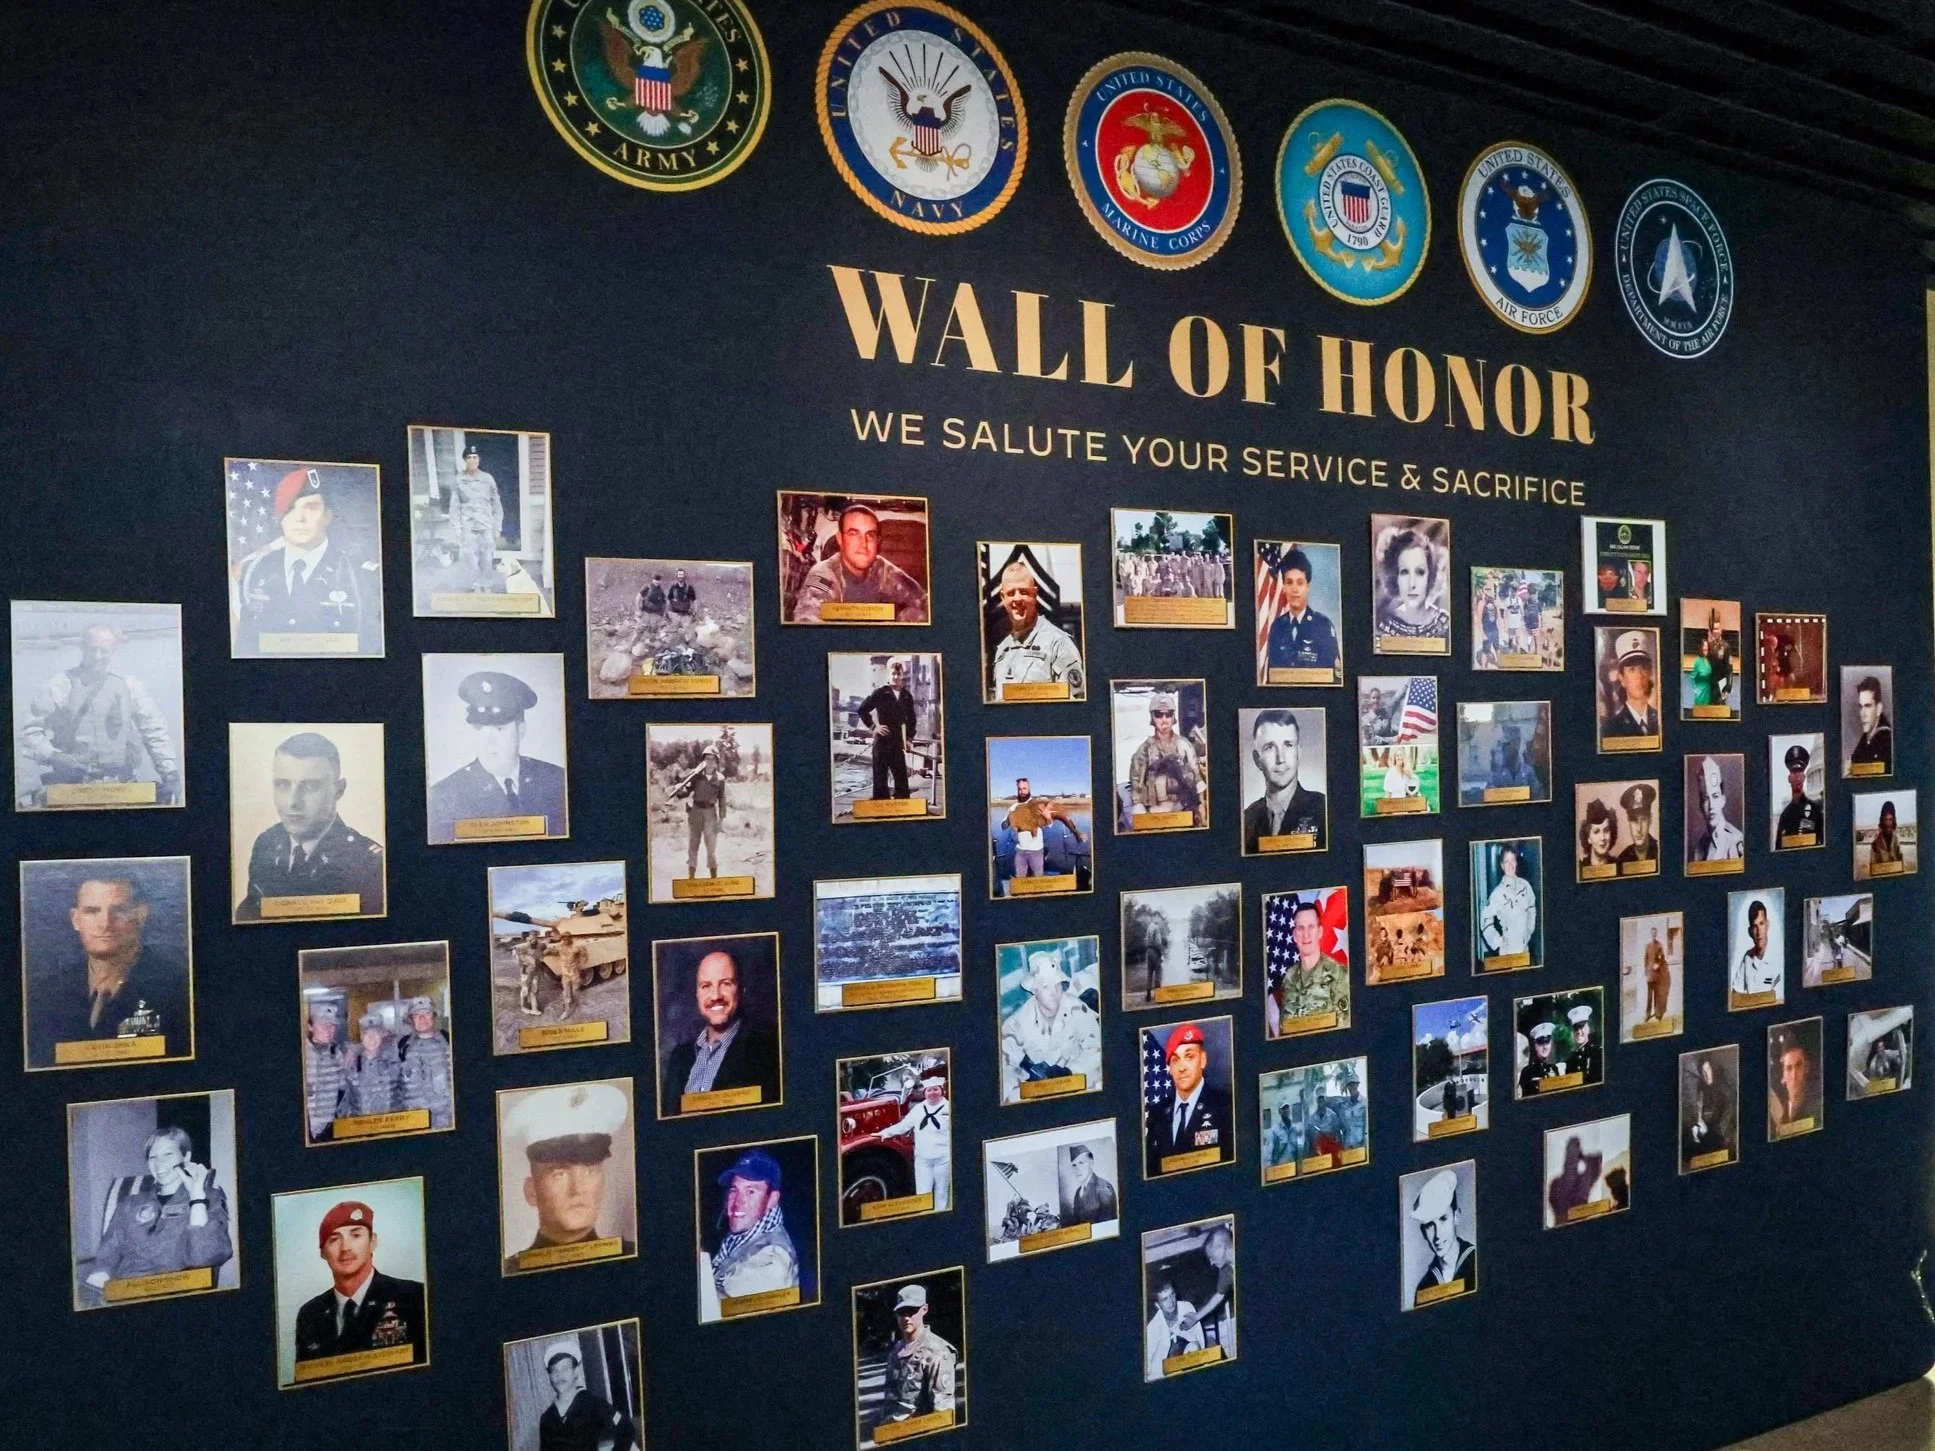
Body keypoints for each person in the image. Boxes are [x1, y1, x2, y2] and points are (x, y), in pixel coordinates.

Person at [28, 871, 189, 1066]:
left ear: (141, 915)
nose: (105, 924)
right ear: (76, 919)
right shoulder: (44, 994)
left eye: (119, 910)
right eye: (92, 911)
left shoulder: (180, 989)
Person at [17, 620, 181, 805]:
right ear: (82, 648)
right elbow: (29, 732)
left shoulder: (130, 687)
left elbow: (154, 730)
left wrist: (169, 771)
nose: (97, 656)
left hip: (122, 785)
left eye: (104, 651)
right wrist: (53, 756)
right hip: (71, 787)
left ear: (113, 651)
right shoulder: (58, 686)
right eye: (92, 649)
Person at [236, 731, 385, 919]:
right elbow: (250, 914)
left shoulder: (369, 864)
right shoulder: (267, 843)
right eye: (283, 785)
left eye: (310, 786)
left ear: (339, 790)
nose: (292, 802)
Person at [233, 466, 381, 653]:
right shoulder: (255, 571)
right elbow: (246, 648)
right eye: (290, 509)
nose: (299, 518)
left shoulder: (361, 576)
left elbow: (371, 649)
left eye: (311, 507)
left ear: (327, 516)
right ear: (280, 518)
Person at [80, 1123, 231, 1306]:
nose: (159, 1164)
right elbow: (107, 1255)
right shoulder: (130, 1203)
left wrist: (197, 1197)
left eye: (168, 1154)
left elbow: (204, 1258)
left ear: (186, 1157)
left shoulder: (209, 1198)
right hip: (125, 1291)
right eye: (153, 1157)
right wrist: (97, 1286)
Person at [503, 1082, 635, 1273]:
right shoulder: (511, 1270)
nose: (577, 1189)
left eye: (590, 1171)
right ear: (531, 1191)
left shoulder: (633, 1258)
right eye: (560, 1174)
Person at [427, 670, 567, 839]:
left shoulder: (557, 780)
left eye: (500, 729)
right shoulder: (444, 796)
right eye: (479, 729)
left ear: (521, 730)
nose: (489, 742)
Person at [293, 1200, 427, 1368]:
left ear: (372, 1242)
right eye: (334, 1239)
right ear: (323, 1252)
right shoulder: (310, 1314)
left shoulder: (414, 1296)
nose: (345, 1248)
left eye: (356, 1235)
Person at [663, 948, 781, 1109]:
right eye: (706, 986)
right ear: (697, 994)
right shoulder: (679, 1057)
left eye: (726, 983)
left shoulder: (766, 1050)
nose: (715, 996)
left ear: (741, 990)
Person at [791, 502, 928, 622]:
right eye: (854, 534)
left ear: (878, 541)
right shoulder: (823, 575)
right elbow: (808, 618)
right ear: (840, 539)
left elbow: (924, 602)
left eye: (870, 535)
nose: (864, 544)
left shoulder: (882, 569)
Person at [705, 1148, 799, 1310]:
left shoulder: (772, 1258)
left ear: (772, 1199)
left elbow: (715, 1311)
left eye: (750, 1191)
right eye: (734, 1190)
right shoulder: (741, 1237)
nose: (737, 1202)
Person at [999, 951, 1102, 1097]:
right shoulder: (1016, 1026)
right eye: (1045, 987)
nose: (1053, 992)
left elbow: (1096, 1048)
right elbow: (1004, 1072)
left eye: (1057, 985)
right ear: (1034, 990)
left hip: (1079, 1088)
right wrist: (1029, 1085)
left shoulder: (1076, 1007)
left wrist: (1071, 1071)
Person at [1144, 1023, 1233, 1176]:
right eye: (1175, 1060)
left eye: (1189, 1057)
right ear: (1170, 1068)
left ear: (1203, 1060)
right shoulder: (1157, 1113)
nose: (1182, 1068)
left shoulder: (1225, 1106)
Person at [990, 558, 1084, 695]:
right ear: (1003, 598)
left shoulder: (1058, 643)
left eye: (1024, 592)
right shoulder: (1003, 649)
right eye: (1011, 593)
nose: (1017, 599)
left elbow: (1075, 699)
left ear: (1034, 595)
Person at [1242, 710, 1325, 851]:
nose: (1280, 758)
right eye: (1269, 747)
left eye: (1288, 745)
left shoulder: (1323, 809)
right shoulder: (1246, 819)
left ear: (1298, 753)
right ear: (1257, 760)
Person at [535, 1339, 637, 1451]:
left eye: (565, 1369)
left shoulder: (594, 1405)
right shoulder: (547, 1418)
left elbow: (626, 1429)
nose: (560, 1376)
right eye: (554, 1371)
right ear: (550, 1376)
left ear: (576, 1372)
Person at [874, 1065, 952, 1210]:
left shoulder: (950, 1108)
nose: (932, 1093)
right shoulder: (918, 1109)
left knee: (941, 1192)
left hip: (943, 1158)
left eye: (936, 1089)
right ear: (925, 1092)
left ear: (942, 1091)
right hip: (922, 1160)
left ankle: (940, 1215)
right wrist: (885, 1133)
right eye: (929, 1090)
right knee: (922, 1194)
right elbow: (903, 1126)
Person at [881, 1284, 957, 1424]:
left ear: (924, 1309)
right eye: (901, 1312)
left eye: (912, 1311)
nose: (906, 1318)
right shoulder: (896, 1351)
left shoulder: (937, 1352)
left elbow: (943, 1413)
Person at [1270, 898, 1348, 1031]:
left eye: (1311, 927)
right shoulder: (1289, 977)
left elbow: (1345, 1029)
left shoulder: (1340, 974)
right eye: (1300, 928)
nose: (1306, 935)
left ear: (1320, 932)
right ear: (1294, 935)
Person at [1263, 547, 1340, 674]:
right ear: (1284, 587)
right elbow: (1272, 674)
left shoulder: (1323, 626)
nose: (1294, 589)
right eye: (1289, 582)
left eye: (1300, 583)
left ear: (1308, 586)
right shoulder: (1277, 627)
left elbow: (1334, 676)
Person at [1128, 692, 1202, 824]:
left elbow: (1198, 781)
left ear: (1173, 717)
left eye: (1168, 714)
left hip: (1182, 810)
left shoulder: (1184, 746)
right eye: (1158, 714)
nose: (1164, 719)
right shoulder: (1144, 750)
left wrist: (1201, 807)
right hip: (1154, 813)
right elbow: (1136, 791)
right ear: (1152, 717)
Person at [1407, 1169, 1475, 1303]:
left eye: (1443, 1219)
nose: (1437, 1234)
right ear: (1423, 1232)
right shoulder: (1424, 1287)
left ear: (1456, 1217)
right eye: (1429, 1225)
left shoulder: (1476, 1262)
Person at [857, 659, 919, 802]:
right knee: (880, 781)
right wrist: (874, 727)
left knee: (901, 780)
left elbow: (912, 720)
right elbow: (862, 710)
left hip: (897, 742)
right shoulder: (880, 693)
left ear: (902, 675)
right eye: (893, 674)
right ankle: (880, 809)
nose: (896, 677)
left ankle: (903, 809)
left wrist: (909, 739)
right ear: (888, 675)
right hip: (882, 742)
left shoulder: (906, 696)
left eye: (898, 674)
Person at [1374, 527, 1448, 642]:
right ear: (1395, 577)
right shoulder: (1382, 622)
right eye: (1404, 572)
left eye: (1420, 572)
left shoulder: (1445, 623)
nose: (1412, 584)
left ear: (1430, 575)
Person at [448, 443, 504, 590]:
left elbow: (497, 504)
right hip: (468, 527)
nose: (472, 460)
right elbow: (454, 507)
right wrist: (457, 529)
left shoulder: (488, 479)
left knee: (487, 558)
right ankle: (475, 587)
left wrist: (498, 527)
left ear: (479, 459)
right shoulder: (458, 480)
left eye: (475, 457)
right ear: (464, 460)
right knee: (470, 559)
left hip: (486, 526)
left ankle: (486, 586)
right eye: (469, 457)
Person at [669, 744, 729, 879]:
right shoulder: (696, 775)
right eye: (707, 758)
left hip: (710, 814)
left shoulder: (720, 779)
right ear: (704, 760)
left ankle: (713, 878)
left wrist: (721, 820)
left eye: (713, 759)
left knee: (711, 848)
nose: (710, 762)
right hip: (695, 811)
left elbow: (722, 799)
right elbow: (686, 791)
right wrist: (680, 789)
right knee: (693, 845)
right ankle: (691, 877)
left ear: (716, 761)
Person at [395, 996, 453, 1131]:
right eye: (416, 1015)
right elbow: (374, 1045)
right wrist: (354, 1050)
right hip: (414, 1122)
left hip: (447, 1121)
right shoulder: (402, 1045)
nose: (422, 1018)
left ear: (434, 1016)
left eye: (427, 1013)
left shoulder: (450, 1040)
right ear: (411, 1020)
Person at [1177, 1224, 1236, 1355]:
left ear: (1222, 1248)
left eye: (1212, 1257)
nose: (1212, 1263)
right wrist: (1196, 1317)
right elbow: (1218, 1296)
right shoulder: (1226, 1272)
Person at [1478, 844, 1537, 959]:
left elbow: (1531, 909)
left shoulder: (1525, 886)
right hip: (1507, 952)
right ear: (1502, 866)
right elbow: (1484, 920)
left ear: (1516, 862)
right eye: (1506, 862)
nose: (1510, 865)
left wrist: (1529, 931)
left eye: (1512, 860)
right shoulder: (1497, 894)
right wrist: (1497, 942)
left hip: (1525, 950)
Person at [304, 1001, 349, 1141]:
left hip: (328, 1128)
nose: (330, 1030)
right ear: (310, 1026)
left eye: (332, 1026)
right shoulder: (301, 1053)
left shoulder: (336, 1053)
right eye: (324, 1025)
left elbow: (345, 1087)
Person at [1601, 631, 1659, 739]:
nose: (1639, 676)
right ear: (1622, 678)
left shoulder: (1660, 719)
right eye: (1632, 670)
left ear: (1650, 673)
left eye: (1644, 668)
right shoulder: (1611, 727)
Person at [1144, 1277, 1205, 1381]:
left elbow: (1200, 1338)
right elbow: (1148, 1365)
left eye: (1172, 1295)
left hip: (1188, 1357)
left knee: (1194, 1347)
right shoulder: (1152, 1328)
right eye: (1165, 1299)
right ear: (1157, 1305)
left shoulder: (1187, 1307)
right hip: (1162, 1372)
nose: (1171, 1301)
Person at [1688, 755, 1744, 862]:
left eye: (1715, 796)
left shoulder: (1735, 840)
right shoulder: (1700, 846)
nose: (1711, 806)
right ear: (1700, 805)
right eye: (1706, 799)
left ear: (1723, 800)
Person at [344, 1012, 399, 1118]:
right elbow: (345, 1099)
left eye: (376, 1033)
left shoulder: (395, 1058)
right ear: (361, 1036)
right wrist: (355, 1049)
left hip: (392, 1123)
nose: (371, 1038)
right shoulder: (350, 1063)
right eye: (366, 1034)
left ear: (382, 1034)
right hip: (361, 1124)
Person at [1682, 1055, 1736, 1163]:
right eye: (1703, 1071)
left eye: (1708, 1069)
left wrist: (1711, 1132)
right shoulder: (1697, 1089)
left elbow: (1728, 1114)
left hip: (1719, 1135)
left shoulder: (1724, 1090)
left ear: (1713, 1068)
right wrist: (1694, 1125)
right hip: (1701, 1135)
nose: (1706, 1074)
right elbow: (1693, 1113)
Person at [1769, 1026, 1820, 1130]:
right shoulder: (1778, 1114)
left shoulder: (1817, 1109)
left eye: (1799, 1066)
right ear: (1783, 1076)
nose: (1794, 1075)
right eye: (1789, 1068)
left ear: (1806, 1068)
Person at [1775, 743, 1824, 845]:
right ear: (1789, 778)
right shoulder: (1785, 815)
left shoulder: (1815, 811)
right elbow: (1779, 846)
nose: (1797, 777)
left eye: (1800, 772)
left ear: (1804, 777)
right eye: (1794, 772)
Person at [1731, 898, 1780, 998]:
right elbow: (1735, 993)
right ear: (1750, 932)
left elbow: (1780, 998)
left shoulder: (1778, 958)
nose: (1758, 932)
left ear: (1767, 925)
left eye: (1761, 924)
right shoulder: (1747, 957)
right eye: (1754, 926)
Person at [1689, 608, 1734, 709]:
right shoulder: (1707, 645)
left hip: (1721, 682)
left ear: (1721, 630)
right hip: (1708, 683)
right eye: (1713, 629)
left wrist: (1728, 687)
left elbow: (1729, 669)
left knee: (1719, 707)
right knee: (1705, 708)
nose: (1715, 631)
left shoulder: (1726, 647)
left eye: (1717, 629)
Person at [1062, 1142, 1117, 1224]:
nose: (1077, 1169)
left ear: (1091, 1164)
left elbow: (1108, 1225)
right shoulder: (1078, 1192)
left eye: (1081, 1163)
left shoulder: (1103, 1188)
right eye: (1074, 1165)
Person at [1850, 676, 1894, 773]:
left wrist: (1851, 769)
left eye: (1868, 706)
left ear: (1878, 709)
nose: (1863, 714)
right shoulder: (1867, 738)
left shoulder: (1887, 742)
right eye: (1861, 707)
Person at [1616, 782, 1658, 865]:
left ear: (1650, 819)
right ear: (1628, 821)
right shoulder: (1622, 858)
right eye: (1634, 821)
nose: (1639, 829)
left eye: (1643, 820)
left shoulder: (1660, 852)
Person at [1519, 1020, 1562, 1095]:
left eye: (1547, 1042)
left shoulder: (1554, 1069)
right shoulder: (1528, 1072)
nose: (1544, 1047)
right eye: (1540, 1043)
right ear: (1535, 1046)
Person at [1578, 797, 1619, 870]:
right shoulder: (1580, 868)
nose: (1602, 837)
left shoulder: (1619, 866)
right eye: (1596, 832)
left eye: (1606, 830)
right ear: (1588, 838)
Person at [1643, 927, 1671, 1023]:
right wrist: (1646, 972)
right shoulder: (1647, 946)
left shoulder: (1659, 945)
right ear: (1650, 933)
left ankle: (1658, 1014)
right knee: (1649, 996)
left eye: (1655, 933)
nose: (1654, 934)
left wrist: (1658, 965)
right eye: (1652, 933)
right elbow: (1645, 960)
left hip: (1657, 975)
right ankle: (1648, 1014)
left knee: (1657, 995)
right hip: (1650, 975)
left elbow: (1662, 958)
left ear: (1656, 934)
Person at [1568, 1003, 1602, 1083]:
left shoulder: (1598, 1053)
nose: (1579, 1031)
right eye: (1575, 1028)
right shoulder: (1570, 1059)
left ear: (1589, 1028)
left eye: (1582, 1026)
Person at [1870, 800, 1905, 868]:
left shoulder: (1896, 840)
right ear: (1882, 821)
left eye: (1890, 820)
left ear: (1893, 821)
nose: (1888, 823)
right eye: (1886, 820)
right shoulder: (1875, 843)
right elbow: (1874, 868)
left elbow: (1901, 863)